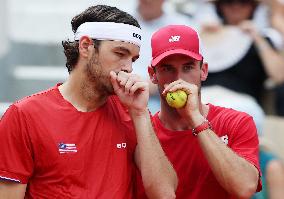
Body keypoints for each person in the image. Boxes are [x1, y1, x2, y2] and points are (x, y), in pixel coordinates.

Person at [0, 5, 178, 198]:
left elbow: (165, 194)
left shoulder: (133, 113)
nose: (128, 67)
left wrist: (140, 113)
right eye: (120, 53)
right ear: (86, 47)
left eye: (133, 59)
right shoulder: (24, 115)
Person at [136, 25, 262, 198]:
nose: (178, 78)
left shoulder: (236, 122)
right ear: (152, 75)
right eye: (167, 68)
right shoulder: (141, 131)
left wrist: (196, 119)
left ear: (203, 71)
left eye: (188, 68)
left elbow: (245, 187)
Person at [196, 0, 284, 117]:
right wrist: (200, 38)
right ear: (219, 6)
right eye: (228, 3)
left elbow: (279, 76)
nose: (236, 7)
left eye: (243, 2)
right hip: (203, 98)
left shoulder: (263, 38)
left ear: (253, 7)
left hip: (242, 103)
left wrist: (257, 37)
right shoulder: (204, 35)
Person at [131, 0, 196, 114]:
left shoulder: (182, 25)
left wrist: (158, 82)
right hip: (122, 91)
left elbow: (193, 68)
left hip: (163, 96)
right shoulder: (118, 20)